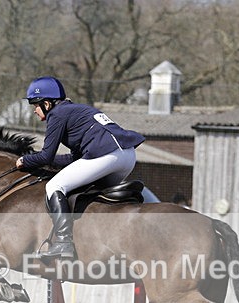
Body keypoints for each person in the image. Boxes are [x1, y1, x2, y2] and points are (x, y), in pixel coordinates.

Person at [15, 76, 145, 260]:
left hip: (107, 155)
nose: (35, 111)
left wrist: (25, 161)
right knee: (87, 193)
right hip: (127, 156)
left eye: (35, 105)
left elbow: (46, 156)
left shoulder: (57, 114)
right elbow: (74, 158)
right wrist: (48, 163)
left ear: (47, 103)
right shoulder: (75, 111)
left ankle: (63, 243)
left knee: (54, 187)